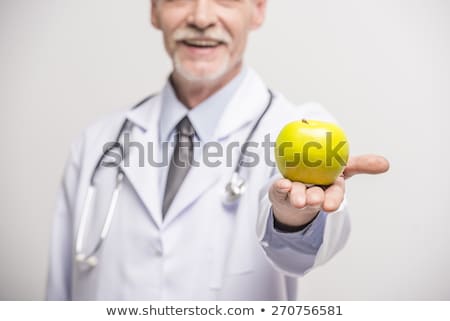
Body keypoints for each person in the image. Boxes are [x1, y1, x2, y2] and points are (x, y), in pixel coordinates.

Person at [46, 0, 389, 300]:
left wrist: (294, 221)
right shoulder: (96, 144)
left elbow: (298, 254)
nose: (201, 16)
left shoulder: (302, 129)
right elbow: (59, 293)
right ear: (154, 10)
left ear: (257, 10)